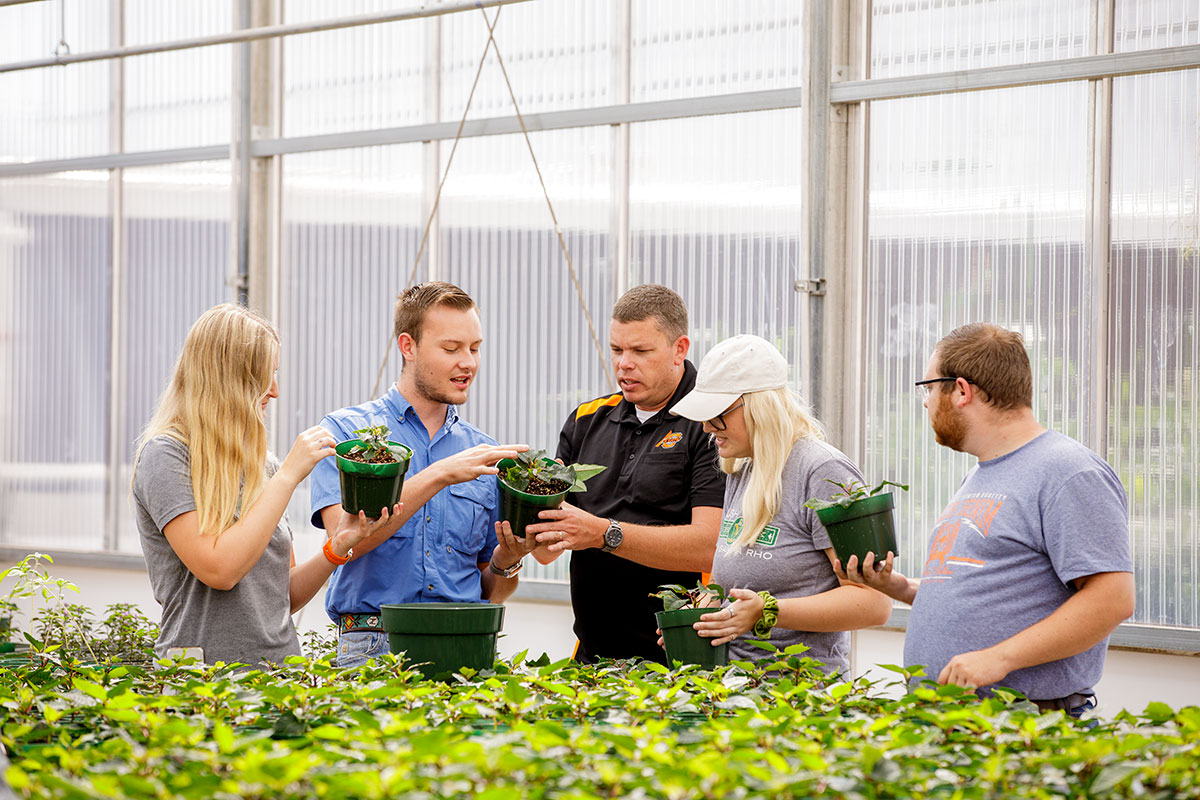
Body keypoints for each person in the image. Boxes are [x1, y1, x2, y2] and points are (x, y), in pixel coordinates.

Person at [839, 323, 1135, 715]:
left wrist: (999, 658)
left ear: (961, 390)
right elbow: (989, 587)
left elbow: (1112, 599)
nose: (926, 402)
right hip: (957, 723)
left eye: (928, 388)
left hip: (1027, 725)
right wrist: (900, 587)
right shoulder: (982, 474)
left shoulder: (1068, 472)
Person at [131, 303, 393, 666]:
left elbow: (281, 596)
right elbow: (219, 570)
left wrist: (337, 548)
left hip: (279, 676)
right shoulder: (167, 456)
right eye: (263, 376)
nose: (274, 390)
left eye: (275, 374)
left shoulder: (262, 468)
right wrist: (287, 476)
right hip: (200, 680)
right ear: (225, 377)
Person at [309, 281, 535, 668]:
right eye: (451, 349)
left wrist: (508, 560)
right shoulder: (347, 435)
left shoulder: (483, 453)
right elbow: (343, 542)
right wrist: (440, 474)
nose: (468, 362)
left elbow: (491, 590)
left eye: (475, 348)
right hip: (373, 645)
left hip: (466, 645)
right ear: (408, 346)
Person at [669, 334, 893, 674]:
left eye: (717, 415)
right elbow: (739, 586)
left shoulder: (824, 472)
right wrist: (705, 614)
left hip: (800, 695)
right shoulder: (743, 469)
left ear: (760, 406)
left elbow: (875, 602)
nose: (706, 427)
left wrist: (769, 611)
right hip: (735, 690)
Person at [526, 284, 725, 664]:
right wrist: (524, 533)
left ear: (679, 349)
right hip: (593, 659)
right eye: (617, 350)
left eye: (641, 351)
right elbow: (549, 548)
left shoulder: (710, 424)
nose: (624, 363)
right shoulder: (586, 420)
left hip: (681, 661)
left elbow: (709, 545)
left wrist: (603, 534)